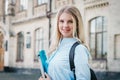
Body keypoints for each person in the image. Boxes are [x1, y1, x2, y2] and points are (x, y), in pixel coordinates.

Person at [39, 6, 91, 80]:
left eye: (70, 21)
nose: (65, 25)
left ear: (77, 24)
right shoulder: (57, 48)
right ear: (57, 23)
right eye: (62, 21)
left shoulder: (79, 49)